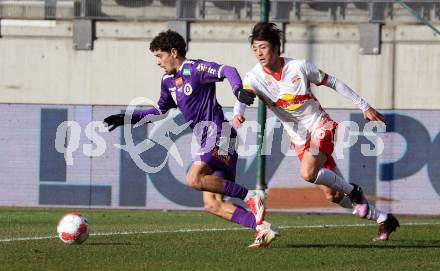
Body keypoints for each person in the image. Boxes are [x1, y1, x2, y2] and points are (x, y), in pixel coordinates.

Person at [103, 30, 279, 248]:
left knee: (193, 179)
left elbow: (227, 70)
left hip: (218, 132)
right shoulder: (167, 81)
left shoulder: (196, 68)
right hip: (208, 137)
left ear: (173, 52)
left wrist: (237, 90)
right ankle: (263, 228)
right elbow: (159, 110)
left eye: (159, 56)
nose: (157, 62)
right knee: (212, 204)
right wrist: (128, 118)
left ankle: (251, 196)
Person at [232, 22, 399, 241]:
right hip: (299, 138)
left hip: (321, 126)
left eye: (262, 47)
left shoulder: (299, 67)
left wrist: (364, 106)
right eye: (255, 48)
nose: (258, 53)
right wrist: (238, 112)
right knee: (333, 194)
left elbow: (334, 83)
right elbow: (243, 95)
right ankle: (383, 219)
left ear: (275, 47)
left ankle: (353, 190)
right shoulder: (254, 76)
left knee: (307, 173)